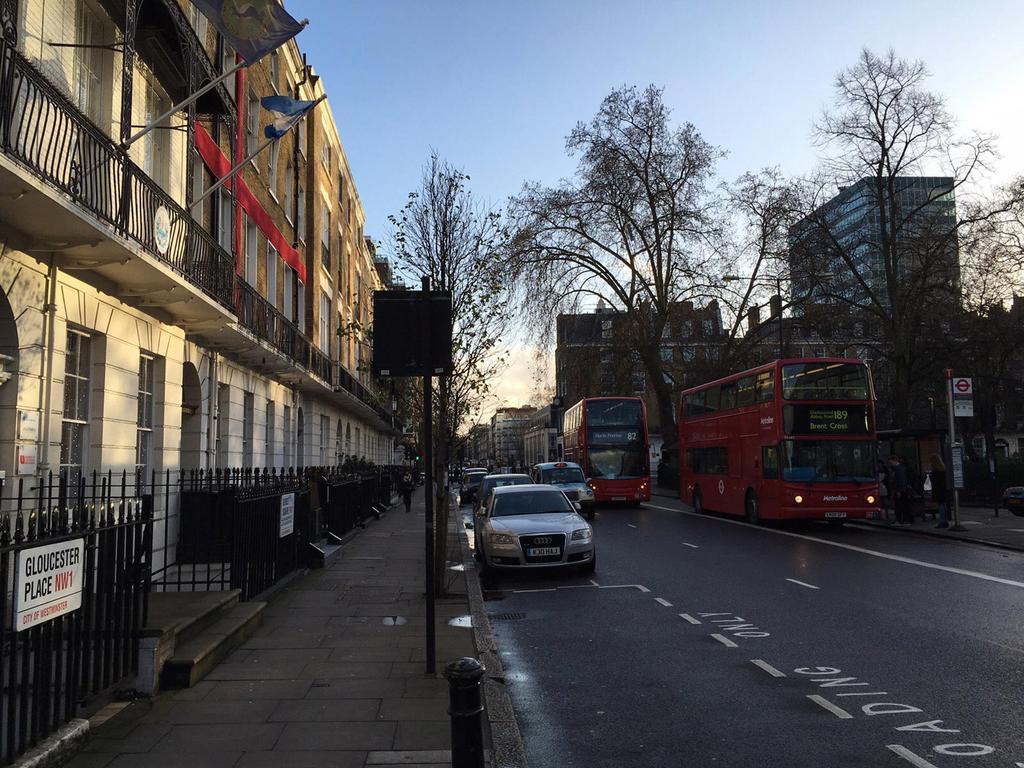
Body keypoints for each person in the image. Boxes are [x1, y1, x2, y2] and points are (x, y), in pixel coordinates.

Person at [889, 455, 911, 525]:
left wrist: (898, 490)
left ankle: (901, 520)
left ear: (894, 461)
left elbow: (901, 480)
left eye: (891, 462)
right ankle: (902, 520)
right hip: (901, 490)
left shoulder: (898, 469)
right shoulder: (900, 468)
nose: (890, 463)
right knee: (901, 505)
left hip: (900, 490)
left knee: (900, 506)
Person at [929, 454, 949, 529]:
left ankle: (942, 521)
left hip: (938, 491)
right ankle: (944, 521)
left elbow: (935, 482)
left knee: (941, 506)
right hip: (943, 490)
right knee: (943, 506)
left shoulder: (936, 471)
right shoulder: (943, 470)